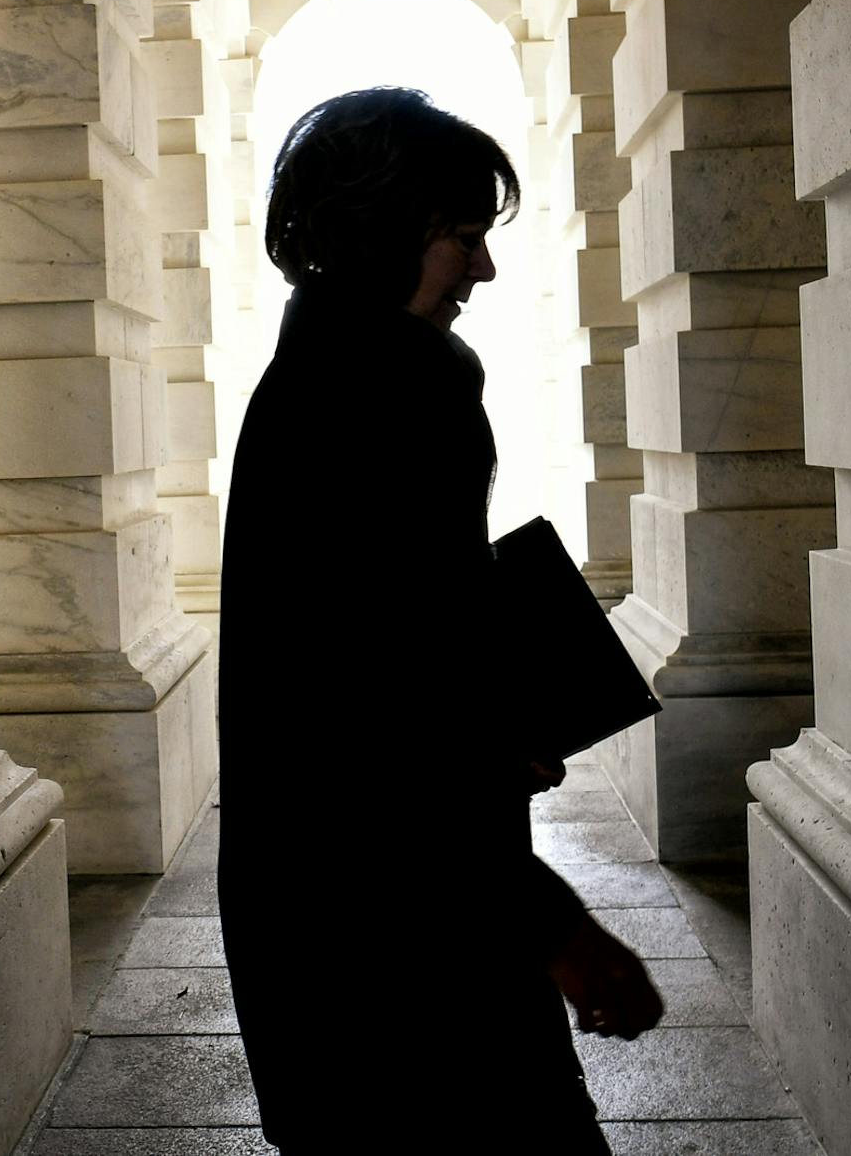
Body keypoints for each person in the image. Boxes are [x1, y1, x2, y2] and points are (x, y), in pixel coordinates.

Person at [217, 87, 664, 1153]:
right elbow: (386, 724)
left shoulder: (322, 378)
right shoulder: (389, 400)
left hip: (340, 926)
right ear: (381, 235)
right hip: (400, 940)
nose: (484, 267)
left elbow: (375, 663)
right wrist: (560, 930)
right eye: (461, 237)